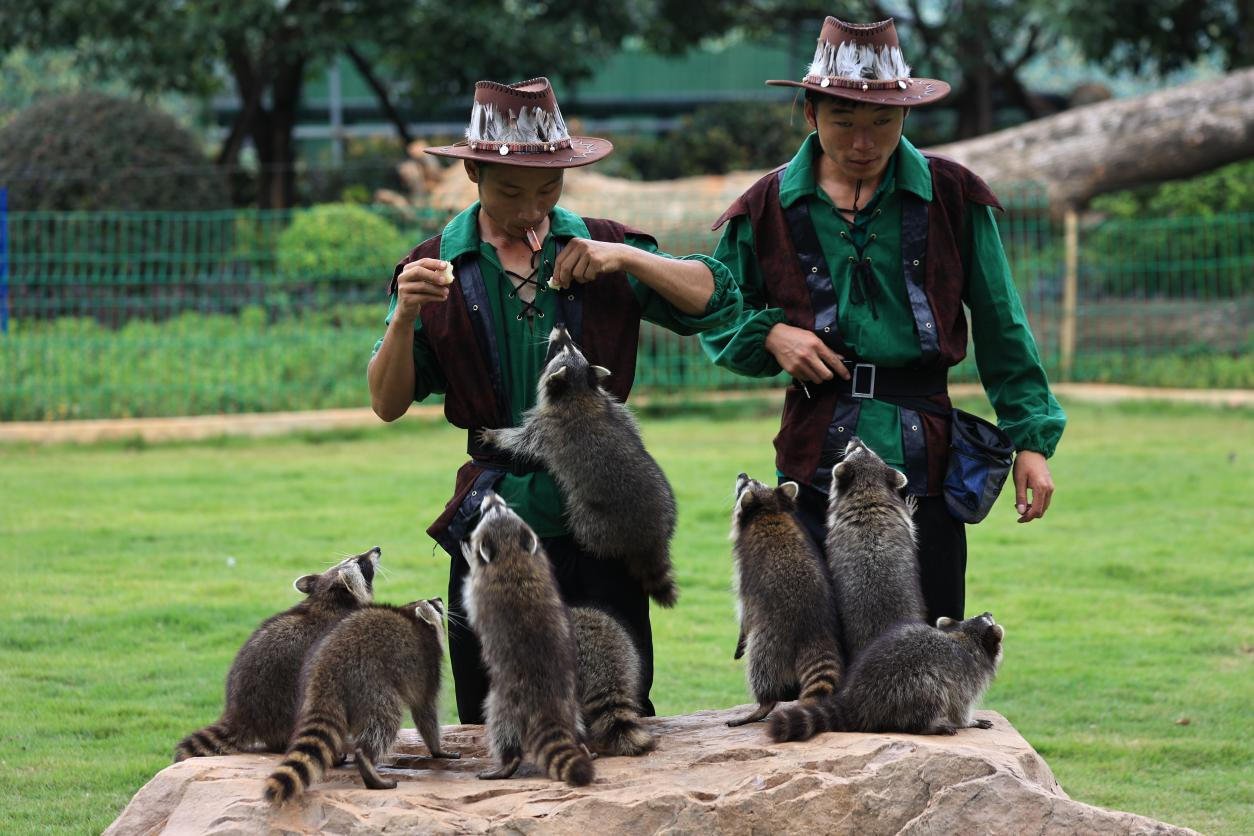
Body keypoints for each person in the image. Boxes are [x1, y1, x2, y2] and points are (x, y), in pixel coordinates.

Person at [368, 77, 740, 723]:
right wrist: (404, 318)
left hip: (603, 515)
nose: (530, 208)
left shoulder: (600, 244)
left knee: (616, 713)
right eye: (511, 190)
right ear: (473, 171)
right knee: (495, 719)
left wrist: (626, 258)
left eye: (548, 189)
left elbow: (716, 300)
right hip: (495, 526)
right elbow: (386, 402)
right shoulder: (434, 267)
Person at [700, 16, 1066, 626]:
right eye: (844, 122)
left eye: (882, 123)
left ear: (904, 117)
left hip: (927, 462)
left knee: (926, 654)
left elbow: (1004, 323)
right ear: (811, 113)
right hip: (813, 463)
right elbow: (714, 308)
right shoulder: (764, 207)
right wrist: (767, 331)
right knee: (813, 662)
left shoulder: (952, 197)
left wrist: (1030, 440)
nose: (863, 142)